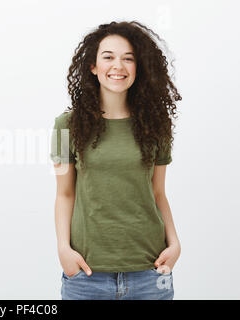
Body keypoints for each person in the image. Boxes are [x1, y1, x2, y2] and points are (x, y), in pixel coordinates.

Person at [50, 21, 182, 300]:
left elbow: (158, 193)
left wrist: (175, 244)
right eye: (108, 57)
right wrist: (64, 248)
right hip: (86, 275)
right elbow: (64, 193)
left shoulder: (156, 125)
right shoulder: (65, 126)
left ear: (139, 68)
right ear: (93, 66)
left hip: (150, 273)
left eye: (128, 58)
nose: (118, 66)